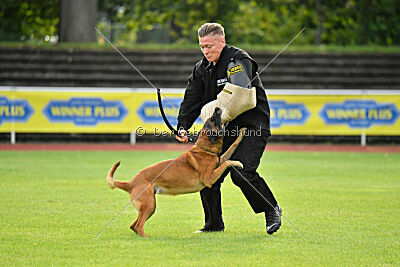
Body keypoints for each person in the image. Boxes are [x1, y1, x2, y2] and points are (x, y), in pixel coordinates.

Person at [175, 22, 282, 235]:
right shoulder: (200, 69)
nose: (206, 51)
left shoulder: (237, 60)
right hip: (224, 131)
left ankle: (271, 209)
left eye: (210, 46)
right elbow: (192, 100)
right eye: (202, 46)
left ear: (222, 42)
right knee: (207, 174)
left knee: (241, 172)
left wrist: (214, 114)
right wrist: (183, 125)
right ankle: (214, 224)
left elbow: (241, 94)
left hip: (252, 126)